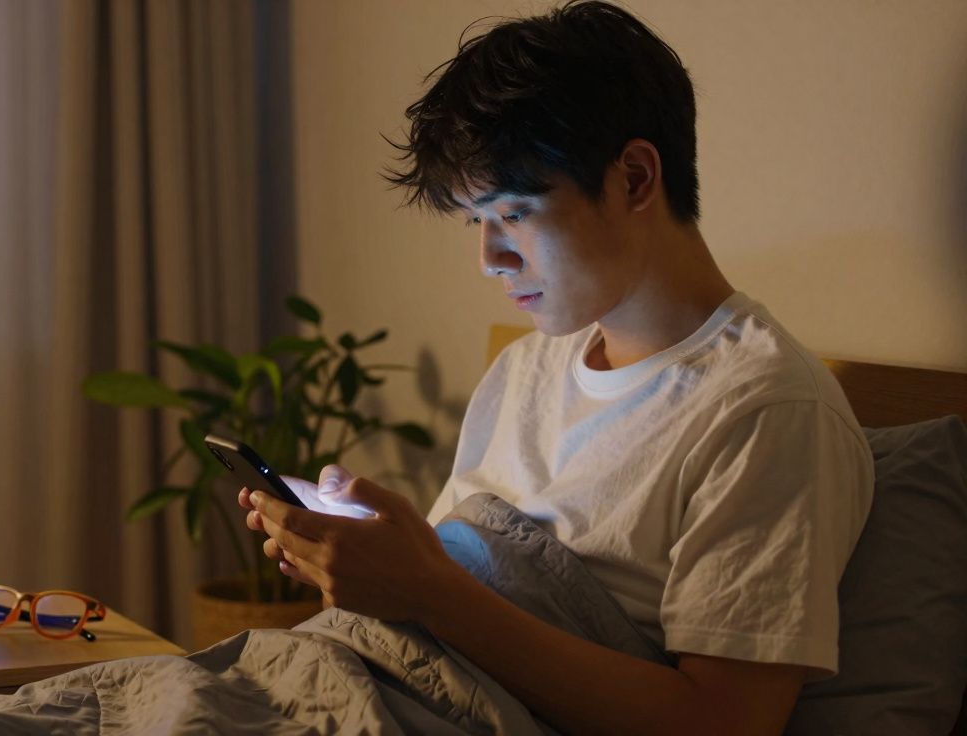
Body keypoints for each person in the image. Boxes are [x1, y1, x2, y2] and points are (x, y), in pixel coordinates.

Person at [237, 2, 874, 734]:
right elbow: (424, 636)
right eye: (477, 221)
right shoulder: (524, 370)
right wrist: (359, 574)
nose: (489, 258)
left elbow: (723, 722)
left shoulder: (766, 411)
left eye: (513, 213)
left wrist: (428, 590)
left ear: (635, 178)